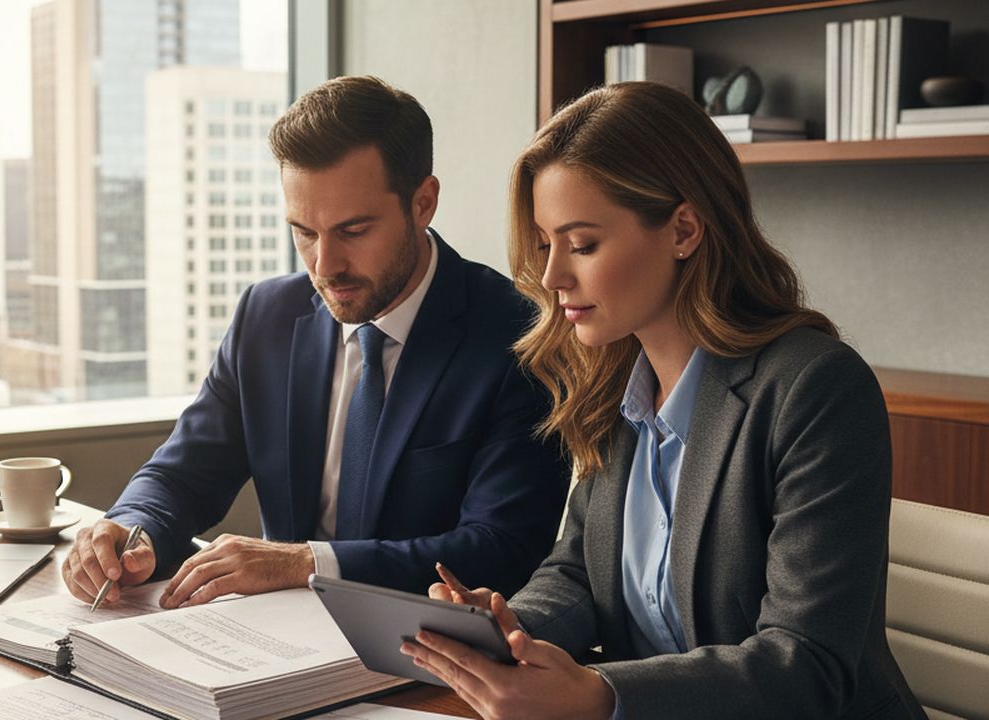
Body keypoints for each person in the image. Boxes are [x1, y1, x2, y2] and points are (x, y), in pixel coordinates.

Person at [402, 82, 924, 719]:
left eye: (583, 244)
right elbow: (578, 575)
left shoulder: (815, 390)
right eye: (546, 244)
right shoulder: (614, 384)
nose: (551, 276)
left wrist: (602, 695)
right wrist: (508, 628)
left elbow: (806, 663)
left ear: (683, 229)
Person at [62, 75, 565, 609]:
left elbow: (503, 549)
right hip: (271, 645)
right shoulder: (266, 316)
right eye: (303, 231)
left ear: (423, 203)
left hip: (427, 659)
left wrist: (307, 564)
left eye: (352, 231)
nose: (325, 267)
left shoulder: (520, 335)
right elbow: (184, 474)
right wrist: (129, 528)